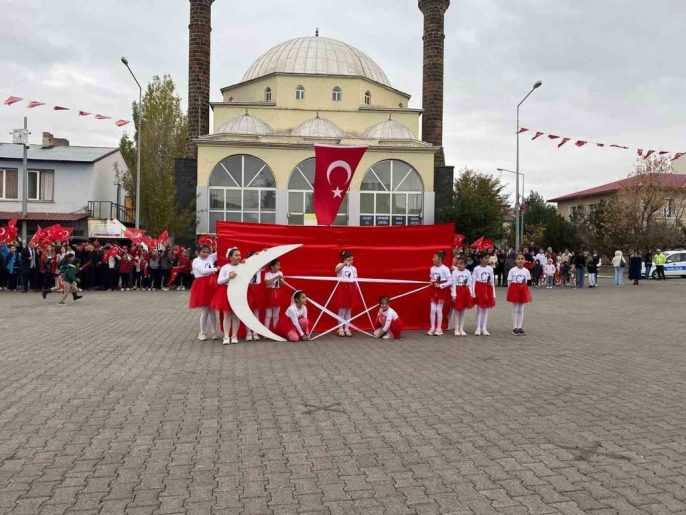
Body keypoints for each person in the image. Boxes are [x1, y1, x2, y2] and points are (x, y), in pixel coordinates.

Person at [189, 244, 219, 342]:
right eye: (203, 252)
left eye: (207, 252)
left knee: (213, 311)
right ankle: (202, 332)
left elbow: (221, 252)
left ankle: (214, 332)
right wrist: (215, 269)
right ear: (198, 252)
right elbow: (202, 271)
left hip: (211, 285)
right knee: (205, 311)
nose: (205, 254)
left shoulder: (210, 257)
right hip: (202, 285)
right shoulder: (196, 261)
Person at [211, 247, 241, 345]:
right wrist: (228, 277)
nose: (239, 257)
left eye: (239, 255)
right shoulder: (225, 267)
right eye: (236, 255)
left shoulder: (242, 266)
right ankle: (226, 336)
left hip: (238, 292)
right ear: (230, 257)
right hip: (227, 291)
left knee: (236, 315)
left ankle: (234, 336)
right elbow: (219, 281)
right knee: (227, 315)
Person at [506, 253, 533, 336]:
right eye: (518, 259)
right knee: (515, 309)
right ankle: (514, 327)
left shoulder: (526, 271)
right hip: (514, 289)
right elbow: (509, 281)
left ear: (524, 261)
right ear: (515, 261)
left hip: (523, 290)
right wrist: (510, 291)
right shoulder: (512, 270)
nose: (520, 260)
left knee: (521, 309)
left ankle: (519, 326)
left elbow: (526, 282)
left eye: (522, 259)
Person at [334, 251, 359, 337]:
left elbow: (355, 280)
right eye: (349, 259)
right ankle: (340, 328)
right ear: (344, 259)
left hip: (351, 288)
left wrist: (356, 290)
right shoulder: (340, 265)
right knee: (342, 309)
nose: (351, 261)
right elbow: (336, 270)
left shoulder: (354, 268)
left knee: (349, 309)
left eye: (352, 260)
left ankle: (347, 328)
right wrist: (345, 263)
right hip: (342, 288)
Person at [427, 250, 452, 336]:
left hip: (442, 291)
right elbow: (432, 279)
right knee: (432, 309)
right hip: (434, 290)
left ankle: (439, 328)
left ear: (440, 259)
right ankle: (432, 328)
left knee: (438, 309)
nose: (432, 259)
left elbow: (450, 281)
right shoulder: (432, 268)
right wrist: (431, 282)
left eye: (434, 257)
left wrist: (441, 285)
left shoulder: (445, 269)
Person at [471, 252, 496, 336]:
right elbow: (473, 281)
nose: (487, 259)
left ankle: (484, 328)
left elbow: (492, 281)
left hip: (488, 288)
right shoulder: (476, 269)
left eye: (488, 258)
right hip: (479, 288)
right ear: (481, 259)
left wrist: (493, 294)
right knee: (479, 309)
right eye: (485, 258)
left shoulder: (490, 269)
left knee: (485, 309)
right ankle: (478, 327)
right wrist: (473, 292)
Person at [449, 256, 474, 337]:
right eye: (458, 263)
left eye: (461, 264)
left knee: (462, 311)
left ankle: (461, 328)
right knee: (456, 311)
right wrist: (454, 295)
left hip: (465, 292)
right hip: (458, 292)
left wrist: (471, 294)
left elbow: (470, 283)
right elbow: (453, 284)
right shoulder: (455, 272)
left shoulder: (468, 272)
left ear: (465, 264)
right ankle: (456, 328)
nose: (459, 265)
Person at [245, 251, 264, 342]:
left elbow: (267, 261)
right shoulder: (246, 266)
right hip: (248, 289)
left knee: (256, 312)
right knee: (248, 311)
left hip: (257, 289)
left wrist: (264, 253)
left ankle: (255, 332)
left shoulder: (260, 266)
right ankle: (248, 332)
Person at [264, 259, 284, 331]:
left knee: (276, 315)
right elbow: (267, 283)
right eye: (277, 265)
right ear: (272, 267)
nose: (279, 266)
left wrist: (280, 279)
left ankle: (275, 331)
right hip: (269, 293)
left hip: (277, 293)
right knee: (268, 315)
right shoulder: (267, 274)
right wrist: (275, 277)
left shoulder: (280, 273)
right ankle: (266, 331)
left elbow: (282, 285)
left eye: (279, 265)